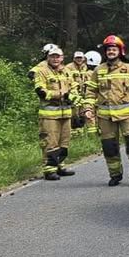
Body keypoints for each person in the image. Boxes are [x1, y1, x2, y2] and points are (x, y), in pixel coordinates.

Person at [83, 35, 129, 187]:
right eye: (109, 49)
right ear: (105, 52)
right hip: (105, 117)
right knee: (109, 147)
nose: (111, 52)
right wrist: (87, 108)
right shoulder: (98, 71)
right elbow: (91, 92)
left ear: (120, 51)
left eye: (114, 49)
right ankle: (115, 175)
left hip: (127, 115)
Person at [27, 45, 78, 180]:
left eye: (58, 56)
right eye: (52, 56)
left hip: (66, 113)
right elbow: (41, 92)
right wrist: (61, 95)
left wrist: (73, 95)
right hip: (49, 115)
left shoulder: (66, 71)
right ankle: (49, 170)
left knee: (64, 141)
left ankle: (60, 166)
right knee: (50, 142)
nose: (55, 59)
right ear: (48, 57)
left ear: (62, 58)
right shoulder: (42, 71)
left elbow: (74, 86)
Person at [65, 52, 88, 137]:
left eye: (80, 58)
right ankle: (73, 133)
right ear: (74, 58)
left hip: (82, 94)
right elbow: (67, 81)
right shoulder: (68, 67)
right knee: (74, 114)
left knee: (82, 113)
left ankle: (80, 133)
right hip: (73, 94)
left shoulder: (84, 67)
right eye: (77, 58)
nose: (79, 59)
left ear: (83, 58)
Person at [82, 51, 102, 136]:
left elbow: (87, 87)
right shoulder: (100, 71)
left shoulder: (88, 73)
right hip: (100, 99)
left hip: (91, 99)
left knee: (90, 118)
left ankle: (93, 137)